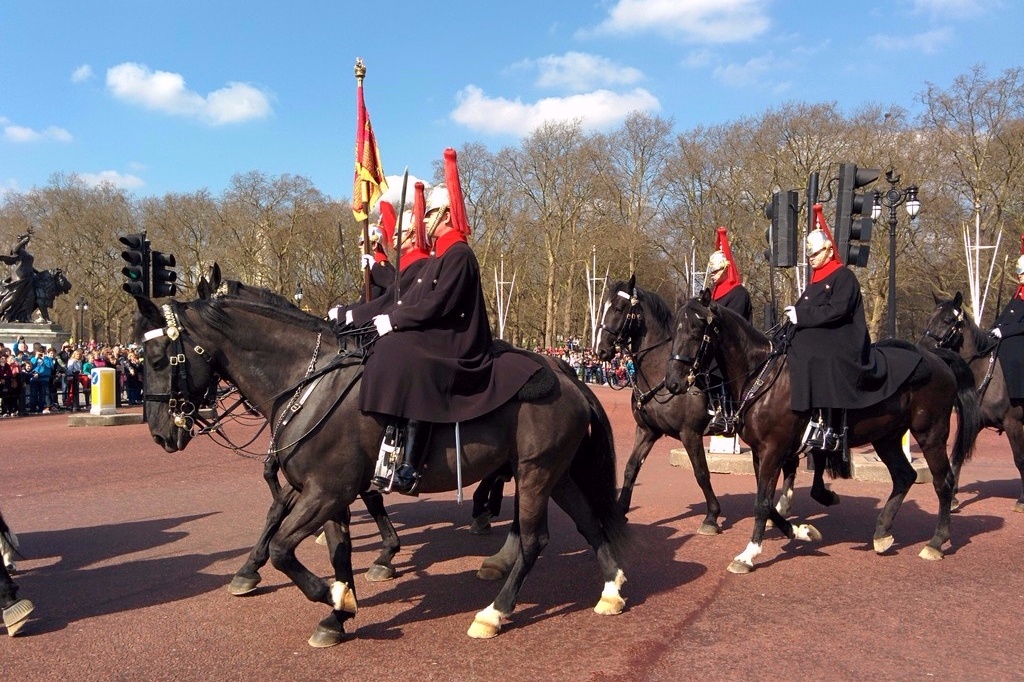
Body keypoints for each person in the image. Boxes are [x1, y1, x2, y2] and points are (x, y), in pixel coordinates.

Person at [347, 149, 539, 494]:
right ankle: (391, 439)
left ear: (446, 214)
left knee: (408, 356)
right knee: (392, 348)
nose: (424, 221)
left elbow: (438, 305)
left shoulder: (460, 255)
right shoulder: (443, 255)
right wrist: (386, 316)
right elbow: (411, 299)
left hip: (459, 340)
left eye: (430, 214)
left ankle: (411, 462)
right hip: (441, 330)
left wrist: (394, 320)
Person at [784, 227, 919, 450]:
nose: (811, 260)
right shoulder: (815, 281)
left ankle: (829, 425)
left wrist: (802, 315)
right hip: (824, 335)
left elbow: (838, 309)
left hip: (842, 337)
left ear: (828, 251)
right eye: (809, 256)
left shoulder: (843, 276)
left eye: (815, 254)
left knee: (814, 354)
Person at [704, 227, 752, 434]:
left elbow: (732, 323)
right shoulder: (713, 295)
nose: (712, 276)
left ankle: (727, 411)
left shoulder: (738, 293)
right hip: (715, 344)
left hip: (734, 347)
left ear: (725, 269)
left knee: (719, 364)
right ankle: (711, 408)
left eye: (715, 272)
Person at [989, 253, 1024, 399]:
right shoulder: (1018, 293)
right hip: (1008, 334)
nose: (1019, 275)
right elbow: (1004, 317)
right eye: (1018, 272)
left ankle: (1018, 396)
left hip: (1018, 337)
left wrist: (1003, 331)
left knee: (1013, 352)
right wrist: (992, 329)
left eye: (1022, 272)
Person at [0, 233, 35, 323]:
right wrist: (22, 241)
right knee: (14, 297)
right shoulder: (17, 250)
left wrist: (40, 273)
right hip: (20, 279)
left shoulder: (27, 253)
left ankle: (24, 317)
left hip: (29, 278)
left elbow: (30, 266)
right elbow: (15, 249)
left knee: (30, 297)